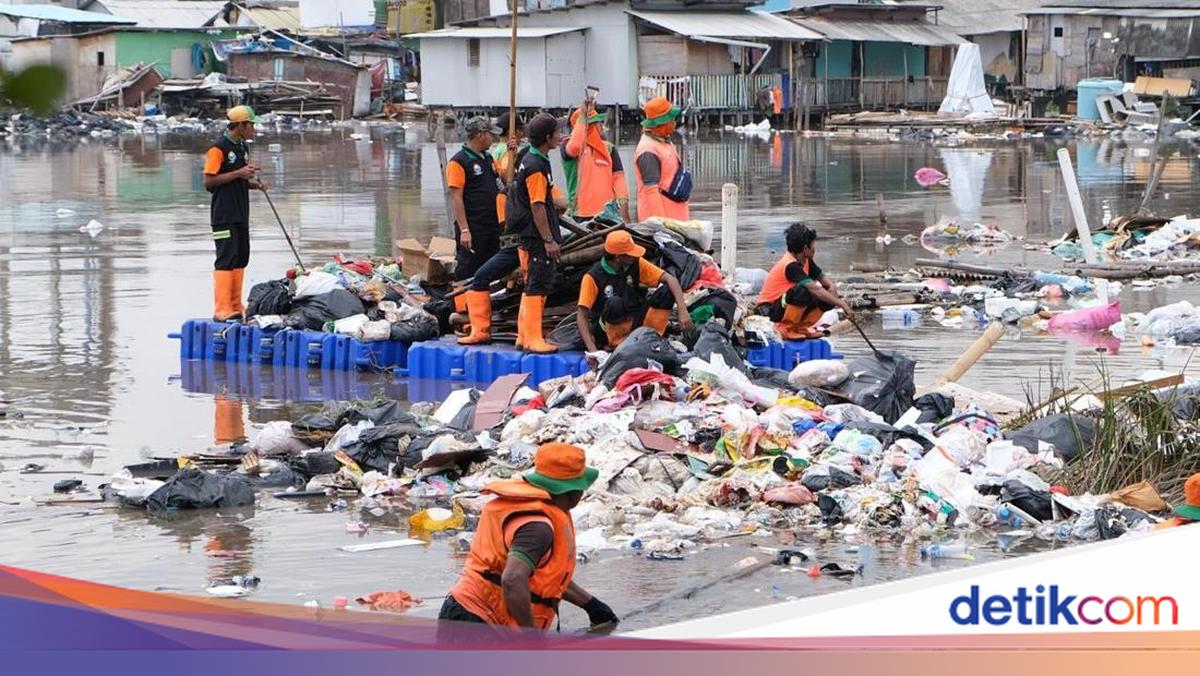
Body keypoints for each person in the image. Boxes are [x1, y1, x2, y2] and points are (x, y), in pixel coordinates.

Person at [439, 443, 618, 632]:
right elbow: (513, 580)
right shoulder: (538, 527)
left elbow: (546, 579)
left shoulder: (533, 508)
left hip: (465, 612)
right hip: (477, 621)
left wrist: (591, 605)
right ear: (572, 491)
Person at [576, 231, 693, 352]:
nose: (634, 256)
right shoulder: (593, 277)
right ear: (619, 257)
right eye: (630, 254)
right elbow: (582, 315)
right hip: (608, 329)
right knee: (614, 302)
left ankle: (653, 335)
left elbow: (670, 279)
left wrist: (682, 310)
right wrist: (592, 349)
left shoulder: (635, 263)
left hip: (634, 319)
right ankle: (617, 344)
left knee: (666, 291)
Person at [203, 105, 267, 322]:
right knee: (226, 258)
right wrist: (239, 173)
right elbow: (209, 182)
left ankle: (235, 305)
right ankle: (221, 309)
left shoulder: (242, 149)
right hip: (223, 215)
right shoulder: (218, 149)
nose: (253, 129)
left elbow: (235, 180)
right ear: (240, 125)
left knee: (241, 256)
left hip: (241, 213)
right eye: (251, 125)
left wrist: (252, 184)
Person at [506, 112, 563, 354]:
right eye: (557, 133)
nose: (560, 137)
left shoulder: (530, 158)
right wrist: (548, 239)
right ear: (547, 137)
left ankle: (524, 335)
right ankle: (532, 338)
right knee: (538, 284)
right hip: (537, 236)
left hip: (531, 233)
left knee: (533, 283)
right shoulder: (536, 166)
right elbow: (537, 205)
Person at [447, 116, 505, 320]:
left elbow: (503, 182)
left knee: (491, 267)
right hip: (472, 227)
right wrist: (464, 229)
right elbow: (456, 198)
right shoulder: (458, 162)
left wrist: (513, 153)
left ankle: (486, 312)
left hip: (492, 225)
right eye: (491, 134)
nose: (493, 139)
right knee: (467, 268)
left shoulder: (488, 159)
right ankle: (462, 312)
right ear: (481, 135)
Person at [756, 223, 853, 340]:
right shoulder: (790, 265)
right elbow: (814, 288)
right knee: (803, 291)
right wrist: (841, 303)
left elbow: (823, 281)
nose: (815, 247)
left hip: (784, 307)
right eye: (813, 244)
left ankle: (802, 327)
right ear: (805, 248)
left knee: (827, 294)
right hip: (768, 311)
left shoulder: (806, 260)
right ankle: (787, 328)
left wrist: (832, 287)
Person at [561, 98, 630, 223]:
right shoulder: (568, 146)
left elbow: (618, 178)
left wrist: (624, 206)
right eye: (597, 123)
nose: (601, 127)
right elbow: (575, 146)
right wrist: (583, 115)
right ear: (588, 126)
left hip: (609, 214)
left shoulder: (608, 148)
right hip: (581, 215)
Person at [634, 96, 690, 222]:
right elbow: (651, 191)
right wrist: (662, 225)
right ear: (662, 123)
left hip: (676, 219)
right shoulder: (648, 151)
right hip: (661, 225)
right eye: (672, 119)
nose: (675, 123)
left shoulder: (664, 141)